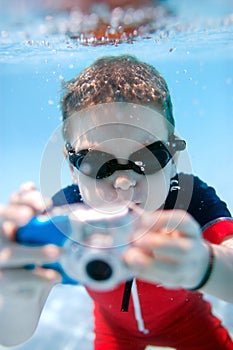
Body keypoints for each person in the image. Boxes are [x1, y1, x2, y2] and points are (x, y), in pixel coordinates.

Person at [0, 55, 233, 349]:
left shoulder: (190, 198)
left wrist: (205, 265)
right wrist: (14, 295)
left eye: (149, 157)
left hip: (186, 319)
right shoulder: (66, 215)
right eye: (97, 164)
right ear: (72, 167)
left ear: (173, 155)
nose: (123, 182)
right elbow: (11, 337)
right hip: (114, 331)